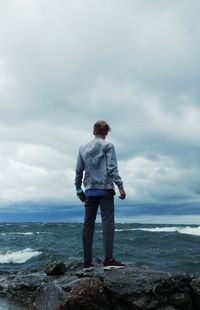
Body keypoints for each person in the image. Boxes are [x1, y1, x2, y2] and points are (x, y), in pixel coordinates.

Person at [75, 120, 126, 271]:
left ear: (93, 131)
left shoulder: (82, 148)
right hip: (105, 190)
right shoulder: (108, 146)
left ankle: (87, 262)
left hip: (90, 191)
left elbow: (79, 170)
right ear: (106, 132)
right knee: (108, 224)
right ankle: (109, 259)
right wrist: (120, 187)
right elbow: (112, 168)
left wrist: (79, 189)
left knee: (88, 225)